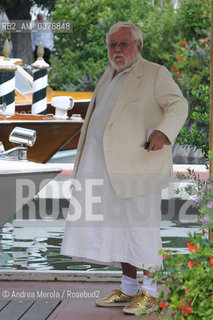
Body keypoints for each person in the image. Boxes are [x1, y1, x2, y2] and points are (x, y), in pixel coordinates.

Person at [61, 21, 188, 315]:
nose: (117, 50)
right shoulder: (108, 75)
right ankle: (129, 288)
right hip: (103, 170)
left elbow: (178, 105)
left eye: (123, 44)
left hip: (137, 167)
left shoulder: (156, 73)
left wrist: (163, 132)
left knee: (142, 230)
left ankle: (152, 291)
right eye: (112, 45)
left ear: (138, 46)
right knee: (120, 230)